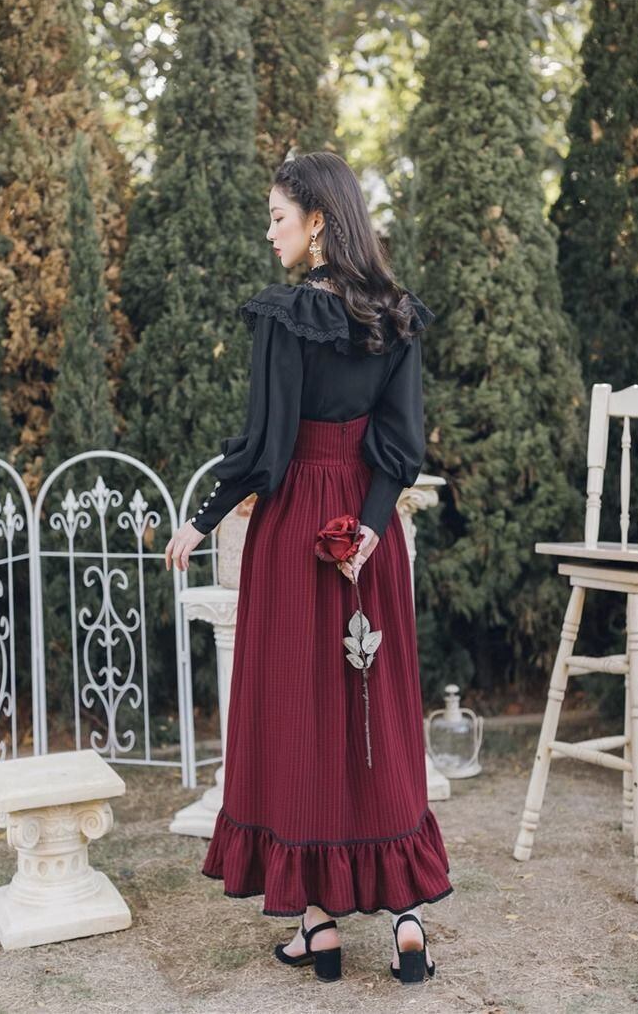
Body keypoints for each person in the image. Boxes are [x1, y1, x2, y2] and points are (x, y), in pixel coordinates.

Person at [164, 151, 452, 985]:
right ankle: (406, 918)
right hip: (367, 533)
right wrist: (371, 528)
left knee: (299, 713)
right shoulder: (397, 314)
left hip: (295, 528)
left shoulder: (285, 315)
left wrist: (202, 516)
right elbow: (402, 442)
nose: (270, 232)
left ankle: (319, 924)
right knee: (376, 712)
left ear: (318, 220)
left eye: (277, 217)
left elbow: (267, 447)